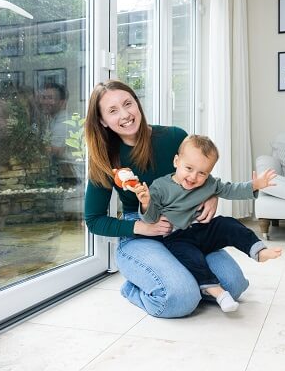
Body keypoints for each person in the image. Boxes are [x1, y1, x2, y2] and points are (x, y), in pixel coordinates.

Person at [83, 79, 250, 318]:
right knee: (182, 300)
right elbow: (94, 220)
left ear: (137, 105)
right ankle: (134, 288)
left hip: (186, 227)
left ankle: (178, 274)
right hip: (140, 229)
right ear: (102, 121)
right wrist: (141, 227)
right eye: (112, 110)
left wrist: (212, 194)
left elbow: (199, 173)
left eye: (128, 104)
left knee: (234, 286)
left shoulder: (173, 137)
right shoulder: (105, 158)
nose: (125, 114)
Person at [132, 135, 282, 313]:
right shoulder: (160, 186)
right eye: (188, 168)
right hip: (178, 237)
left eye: (202, 173)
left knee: (228, 224)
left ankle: (257, 250)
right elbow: (151, 219)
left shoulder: (210, 184)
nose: (193, 177)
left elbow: (231, 189)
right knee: (192, 257)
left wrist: (255, 185)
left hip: (203, 229)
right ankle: (217, 292)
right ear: (176, 161)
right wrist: (146, 203)